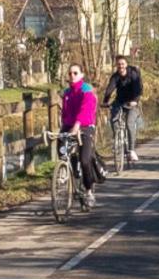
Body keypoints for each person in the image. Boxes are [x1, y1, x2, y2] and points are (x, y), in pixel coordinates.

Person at [61, 63, 98, 209]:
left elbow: (86, 108)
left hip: (84, 126)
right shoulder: (67, 92)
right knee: (62, 150)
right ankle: (68, 173)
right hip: (70, 126)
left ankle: (88, 190)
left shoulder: (86, 90)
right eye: (70, 73)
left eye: (75, 73)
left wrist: (77, 125)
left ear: (81, 75)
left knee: (84, 160)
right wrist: (63, 127)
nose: (72, 76)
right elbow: (64, 113)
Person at [102, 54, 143, 162]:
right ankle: (117, 141)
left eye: (123, 64)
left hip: (132, 102)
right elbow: (110, 89)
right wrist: (105, 101)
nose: (121, 66)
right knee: (113, 119)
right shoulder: (115, 76)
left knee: (129, 123)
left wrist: (135, 100)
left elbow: (138, 88)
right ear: (117, 65)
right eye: (119, 64)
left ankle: (132, 150)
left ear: (126, 64)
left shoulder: (133, 74)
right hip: (119, 101)